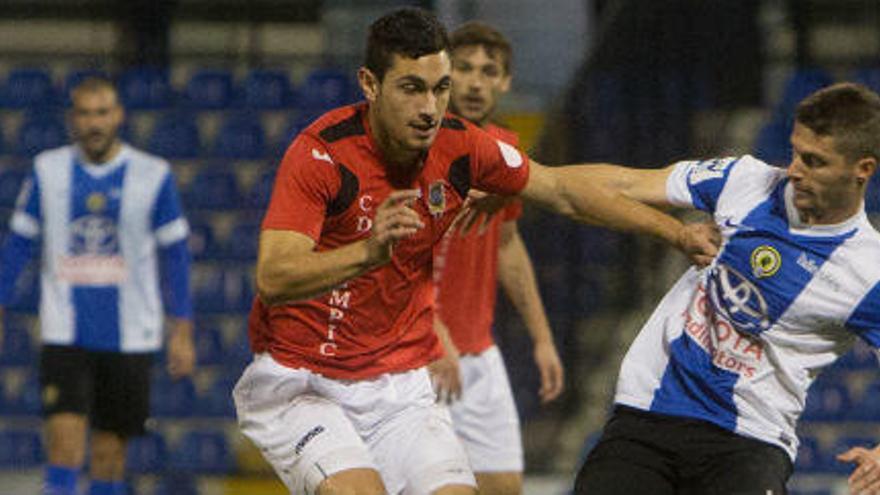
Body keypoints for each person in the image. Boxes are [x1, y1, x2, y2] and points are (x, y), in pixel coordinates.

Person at [232, 7, 718, 495]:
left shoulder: (463, 147)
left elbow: (564, 190)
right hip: (302, 380)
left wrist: (674, 233)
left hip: (399, 383)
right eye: (411, 88)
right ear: (370, 84)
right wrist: (367, 252)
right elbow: (274, 278)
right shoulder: (321, 154)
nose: (429, 108)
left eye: (439, 88)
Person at [572, 82, 880, 495]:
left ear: (863, 169)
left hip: (749, 442)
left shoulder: (869, 271)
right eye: (794, 152)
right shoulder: (745, 180)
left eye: (814, 161)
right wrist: (514, 176)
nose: (794, 170)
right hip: (648, 417)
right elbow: (623, 185)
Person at [0, 77, 195, 495]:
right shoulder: (47, 169)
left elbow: (175, 253)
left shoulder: (153, 174)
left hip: (130, 337)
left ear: (118, 115)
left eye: (102, 113)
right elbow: (18, 242)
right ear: (73, 119)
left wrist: (182, 329)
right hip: (63, 333)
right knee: (64, 443)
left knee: (109, 454)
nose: (94, 123)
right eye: (85, 114)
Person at [427, 21, 562, 495]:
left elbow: (506, 242)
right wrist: (435, 333)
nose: (475, 82)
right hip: (418, 356)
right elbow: (394, 259)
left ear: (505, 82)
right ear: (444, 76)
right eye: (463, 69)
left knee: (505, 487)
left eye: (489, 71)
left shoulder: (505, 148)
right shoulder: (420, 146)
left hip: (479, 355)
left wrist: (542, 339)